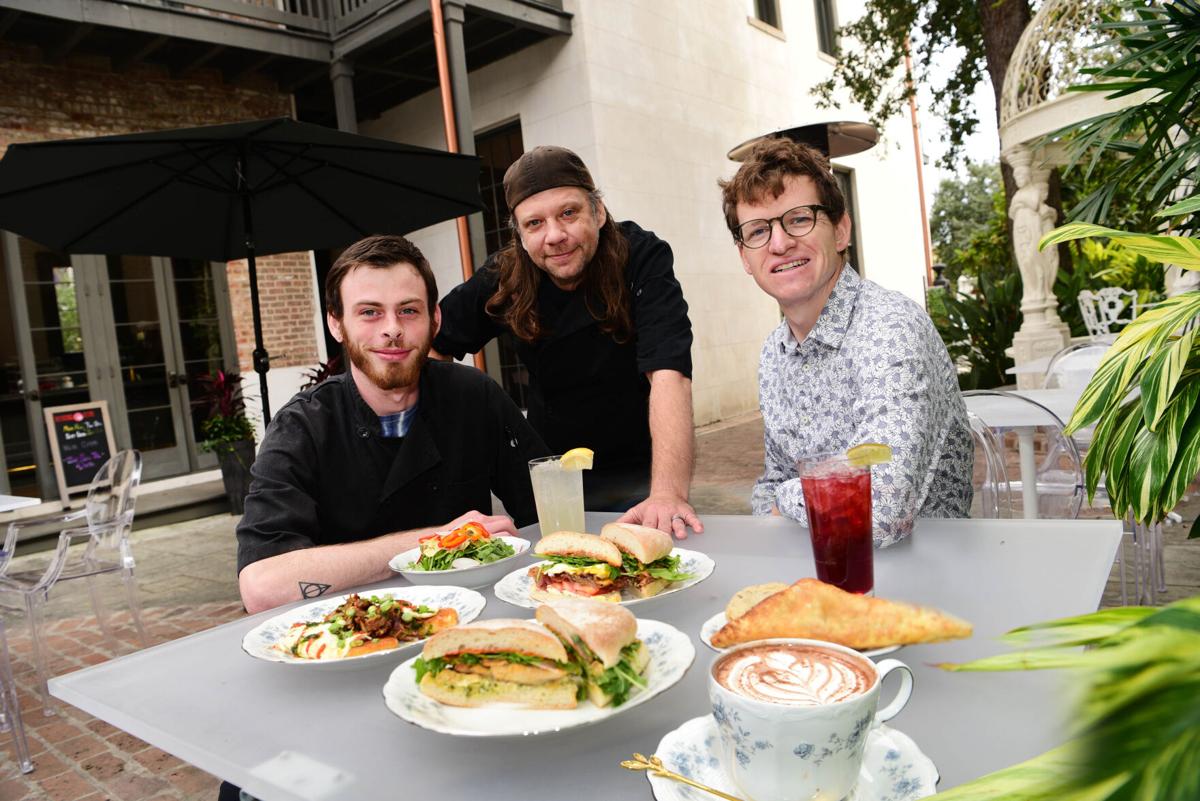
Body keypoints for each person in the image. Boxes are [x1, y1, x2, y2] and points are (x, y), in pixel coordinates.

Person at [236, 234, 548, 615]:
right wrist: (436, 541)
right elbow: (261, 587)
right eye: (369, 312)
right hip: (352, 637)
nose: (392, 329)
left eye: (408, 311)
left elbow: (546, 515)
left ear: (435, 319)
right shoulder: (303, 427)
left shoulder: (474, 395)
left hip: (475, 623)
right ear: (337, 324)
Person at [433, 145, 702, 539]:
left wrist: (667, 493)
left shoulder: (641, 256)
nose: (555, 236)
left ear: (599, 211)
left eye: (569, 213)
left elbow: (669, 372)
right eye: (534, 224)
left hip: (638, 471)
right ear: (520, 236)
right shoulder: (503, 276)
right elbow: (430, 342)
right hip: (552, 476)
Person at [718, 137, 972, 545]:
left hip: (926, 575)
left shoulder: (889, 326)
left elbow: (881, 507)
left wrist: (788, 498)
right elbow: (774, 482)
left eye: (799, 219)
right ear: (744, 257)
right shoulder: (774, 352)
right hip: (820, 570)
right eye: (758, 231)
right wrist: (790, 495)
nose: (780, 243)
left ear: (840, 230)